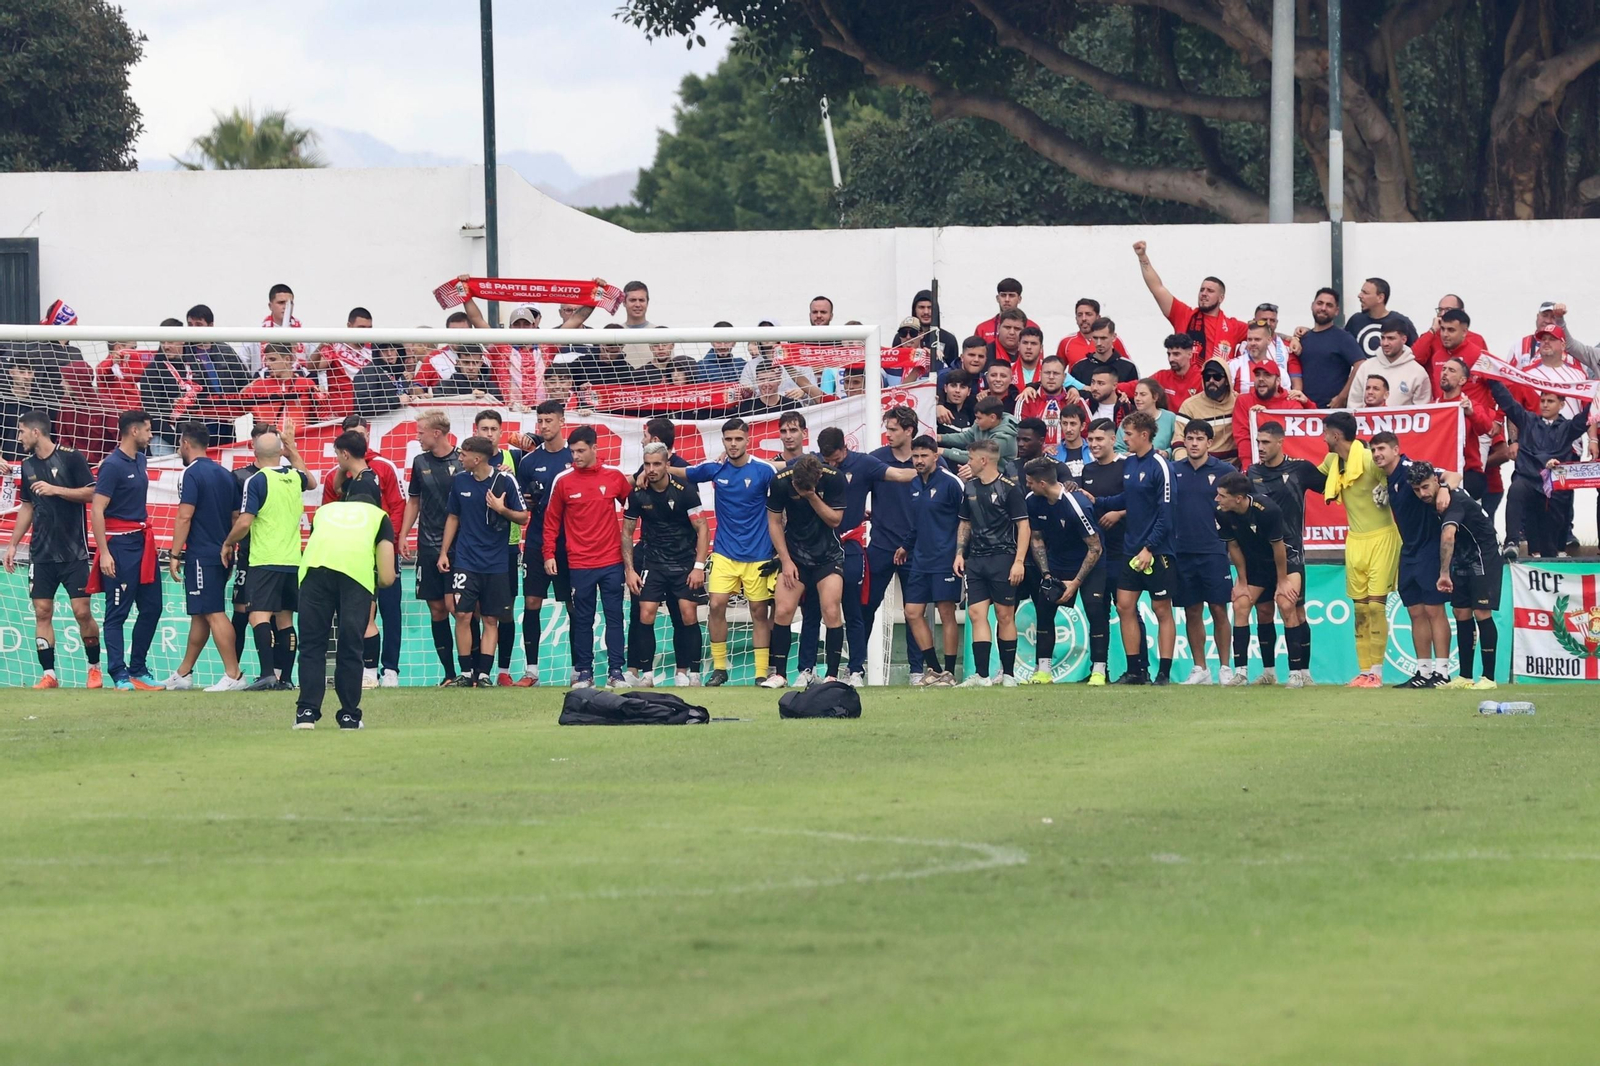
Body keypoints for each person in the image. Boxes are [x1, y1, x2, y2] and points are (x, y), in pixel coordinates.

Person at [812, 426, 918, 685]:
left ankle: (857, 668)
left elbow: (900, 475)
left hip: (851, 546)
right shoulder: (814, 463)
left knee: (857, 607)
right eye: (827, 460)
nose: (831, 464)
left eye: (835, 458)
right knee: (818, 608)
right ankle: (811, 669)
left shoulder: (864, 463)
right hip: (820, 548)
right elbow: (782, 465)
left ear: (844, 447)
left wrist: (933, 469)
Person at [4, 410, 102, 689]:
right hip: (41, 553)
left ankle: (93, 668)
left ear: (36, 432)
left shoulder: (71, 457)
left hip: (74, 552)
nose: (19, 436)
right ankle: (49, 674)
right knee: (42, 611)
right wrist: (12, 545)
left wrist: (57, 489)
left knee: (81, 611)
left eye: (22, 431)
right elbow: (27, 506)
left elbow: (92, 493)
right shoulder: (27, 464)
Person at [685, 419, 778, 685]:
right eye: (729, 439)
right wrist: (650, 469)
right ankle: (719, 669)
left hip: (758, 554)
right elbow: (684, 473)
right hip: (724, 552)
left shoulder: (764, 470)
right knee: (716, 605)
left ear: (747, 440)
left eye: (738, 439)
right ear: (723, 441)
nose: (733, 444)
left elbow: (782, 497)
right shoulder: (716, 469)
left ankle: (761, 673)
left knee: (759, 611)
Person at [224, 423, 316, 691]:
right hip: (292, 560)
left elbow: (244, 522)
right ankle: (285, 678)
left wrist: (228, 542)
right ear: (281, 451)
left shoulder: (257, 480)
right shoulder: (294, 477)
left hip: (265, 559)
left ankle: (267, 674)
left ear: (254, 450)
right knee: (285, 619)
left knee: (258, 617)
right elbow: (311, 481)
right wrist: (293, 451)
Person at [292, 495, 398, 729]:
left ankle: (306, 714)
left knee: (311, 645)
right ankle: (349, 716)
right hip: (355, 577)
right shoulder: (379, 517)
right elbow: (388, 577)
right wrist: (375, 584)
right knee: (350, 645)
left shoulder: (324, 511)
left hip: (313, 573)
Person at [544, 425, 632, 687]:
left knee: (614, 616)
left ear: (595, 448)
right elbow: (551, 521)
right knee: (582, 619)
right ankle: (584, 672)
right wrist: (549, 554)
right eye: (573, 451)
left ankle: (616, 672)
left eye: (581, 450)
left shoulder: (615, 476)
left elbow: (635, 508)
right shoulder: (563, 480)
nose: (576, 456)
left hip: (611, 561)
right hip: (579, 563)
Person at [162, 422, 248, 691]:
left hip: (202, 554)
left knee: (213, 612)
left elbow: (184, 515)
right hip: (223, 552)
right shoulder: (225, 474)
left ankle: (234, 675)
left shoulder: (191, 474)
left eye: (179, 443)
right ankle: (184, 673)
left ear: (186, 443)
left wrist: (175, 553)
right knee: (200, 614)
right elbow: (236, 516)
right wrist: (230, 545)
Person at [1094, 411, 1177, 685]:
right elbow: (1127, 497)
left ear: (1144, 435)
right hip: (1131, 549)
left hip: (1158, 551)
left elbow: (1167, 513)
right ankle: (1135, 671)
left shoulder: (1160, 466)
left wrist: (1150, 548)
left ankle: (1163, 672)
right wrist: (1098, 501)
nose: (1123, 439)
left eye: (1127, 434)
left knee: (1161, 609)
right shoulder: (1129, 465)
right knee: (1124, 606)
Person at [1315, 412, 1398, 685]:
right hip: (1355, 540)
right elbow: (1309, 478)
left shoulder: (1367, 457)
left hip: (1382, 537)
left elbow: (1395, 473)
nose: (1323, 437)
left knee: (1376, 608)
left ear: (1336, 435)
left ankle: (1377, 671)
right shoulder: (1332, 461)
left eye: (1325, 432)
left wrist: (1388, 488)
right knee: (1360, 610)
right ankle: (1364, 672)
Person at [324, 414, 406, 688]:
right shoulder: (342, 474)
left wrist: (386, 543)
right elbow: (330, 507)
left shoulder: (383, 468)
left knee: (389, 609)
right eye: (353, 435)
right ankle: (365, 669)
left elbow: (396, 508)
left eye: (361, 433)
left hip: (379, 550)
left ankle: (388, 669)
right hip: (353, 554)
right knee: (359, 611)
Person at [439, 436, 529, 686]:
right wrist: (444, 552)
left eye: (463, 454)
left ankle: (485, 674)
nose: (459, 458)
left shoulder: (505, 480)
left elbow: (523, 517)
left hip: (497, 563)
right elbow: (453, 517)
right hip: (466, 560)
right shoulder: (459, 481)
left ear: (476, 458)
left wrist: (501, 510)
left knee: (491, 619)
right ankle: (466, 673)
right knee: (463, 615)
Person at [1408, 463, 1502, 691]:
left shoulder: (1452, 501)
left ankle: (1489, 678)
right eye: (1417, 489)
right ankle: (1465, 676)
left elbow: (1448, 536)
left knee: (1481, 611)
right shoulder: (1439, 489)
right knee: (1460, 612)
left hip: (1483, 554)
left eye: (1425, 487)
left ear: (1435, 480)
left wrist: (1442, 573)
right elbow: (1454, 474)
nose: (1423, 494)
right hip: (1462, 556)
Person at [1369, 432, 1452, 688]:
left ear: (1396, 449)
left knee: (1433, 610)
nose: (1376, 454)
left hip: (1430, 547)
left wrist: (1445, 488)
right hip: (1409, 551)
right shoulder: (1389, 478)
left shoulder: (1410, 469)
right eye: (1373, 450)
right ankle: (1423, 672)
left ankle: (1443, 673)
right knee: (1415, 611)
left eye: (1381, 448)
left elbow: (1451, 474)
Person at [1246, 420, 1325, 685]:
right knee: (1264, 612)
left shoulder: (1300, 469)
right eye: (1258, 442)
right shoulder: (1252, 472)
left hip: (1291, 553)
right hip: (1261, 556)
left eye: (1266, 442)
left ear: (1281, 442)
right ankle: (1269, 673)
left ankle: (1302, 673)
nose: (1261, 447)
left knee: (1290, 607)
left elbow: (1330, 486)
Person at [622, 443, 709, 684]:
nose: (651, 469)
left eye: (657, 464)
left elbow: (702, 528)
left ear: (666, 464)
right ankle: (647, 674)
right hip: (653, 563)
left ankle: (690, 674)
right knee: (646, 614)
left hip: (683, 563)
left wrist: (698, 566)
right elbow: (627, 533)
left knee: (687, 615)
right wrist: (630, 570)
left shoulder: (685, 491)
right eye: (647, 464)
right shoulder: (639, 493)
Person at [89, 410, 162, 690]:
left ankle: (138, 668)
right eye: (148, 429)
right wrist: (104, 552)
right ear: (134, 431)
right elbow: (97, 509)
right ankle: (118, 673)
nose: (151, 434)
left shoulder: (141, 459)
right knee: (117, 612)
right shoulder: (112, 465)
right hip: (119, 546)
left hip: (143, 544)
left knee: (152, 607)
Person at [763, 455, 848, 687]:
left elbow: (835, 520)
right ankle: (780, 674)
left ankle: (831, 675)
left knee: (831, 609)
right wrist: (786, 560)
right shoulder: (781, 481)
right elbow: (774, 522)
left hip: (828, 555)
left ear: (818, 477)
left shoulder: (834, 479)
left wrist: (810, 496)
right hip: (795, 554)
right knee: (783, 610)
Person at [1484, 377, 1591, 559]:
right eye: (1542, 401)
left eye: (1550, 401)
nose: (1545, 405)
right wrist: (1492, 378)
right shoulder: (1528, 420)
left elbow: (1587, 416)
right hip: (1527, 481)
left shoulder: (1568, 427)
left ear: (1562, 404)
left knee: (1548, 547)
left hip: (1552, 491)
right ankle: (1512, 542)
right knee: (1516, 488)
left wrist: (1596, 394)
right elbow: (1508, 402)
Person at [398, 409, 467, 684]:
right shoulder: (419, 462)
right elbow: (414, 501)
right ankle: (449, 674)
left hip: (459, 547)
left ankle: (471, 670)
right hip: (427, 546)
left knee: (458, 608)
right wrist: (404, 534)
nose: (418, 437)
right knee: (437, 609)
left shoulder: (462, 459)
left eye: (421, 432)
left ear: (436, 433)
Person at [864, 407, 933, 682]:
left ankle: (918, 671)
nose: (888, 434)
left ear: (909, 430)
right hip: (881, 546)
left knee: (914, 612)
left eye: (893, 429)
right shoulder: (875, 460)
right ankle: (856, 667)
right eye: (887, 429)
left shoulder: (928, 462)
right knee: (864, 607)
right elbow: (855, 489)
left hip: (917, 550)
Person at [1022, 457, 1104, 684]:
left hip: (1089, 562)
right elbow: (1036, 539)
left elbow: (1095, 548)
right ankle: (1043, 670)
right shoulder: (1032, 501)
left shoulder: (1077, 505)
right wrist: (1047, 574)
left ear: (1042, 483)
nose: (1027, 486)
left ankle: (1099, 670)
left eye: (1029, 482)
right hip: (1056, 562)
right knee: (1044, 612)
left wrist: (1076, 583)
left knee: (1095, 611)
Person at [954, 439, 1030, 686]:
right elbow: (965, 523)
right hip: (976, 559)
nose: (968, 463)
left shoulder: (1009, 489)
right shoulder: (970, 488)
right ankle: (982, 675)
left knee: (1004, 614)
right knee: (976, 613)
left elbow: (1024, 526)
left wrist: (1019, 561)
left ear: (983, 460)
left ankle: (1008, 674)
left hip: (1003, 558)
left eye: (971, 459)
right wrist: (959, 553)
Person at [1213, 473, 1299, 687]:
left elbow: (1278, 547)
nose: (1217, 499)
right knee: (1241, 604)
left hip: (1285, 562)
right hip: (1256, 565)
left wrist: (1281, 581)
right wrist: (1241, 581)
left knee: (1286, 604)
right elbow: (1233, 547)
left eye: (1222, 496)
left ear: (1239, 498)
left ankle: (1296, 673)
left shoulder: (1268, 510)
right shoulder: (1221, 513)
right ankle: (1244, 673)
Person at [1168, 421, 1234, 684]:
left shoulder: (1225, 472)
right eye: (1190, 438)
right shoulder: (1172, 471)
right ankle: (1200, 668)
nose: (1194, 443)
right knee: (1191, 611)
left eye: (1199, 439)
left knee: (1219, 609)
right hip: (1182, 551)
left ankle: (1226, 667)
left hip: (1214, 551)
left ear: (1210, 442)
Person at [514, 400, 573, 685]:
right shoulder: (529, 462)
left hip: (570, 544)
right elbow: (523, 507)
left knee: (575, 605)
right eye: (541, 421)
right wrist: (529, 500)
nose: (544, 426)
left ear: (562, 421)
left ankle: (579, 668)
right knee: (532, 602)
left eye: (550, 420)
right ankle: (532, 670)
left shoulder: (574, 457)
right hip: (537, 542)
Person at [899, 435, 965, 686]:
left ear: (935, 456)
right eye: (915, 456)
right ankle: (934, 669)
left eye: (924, 456)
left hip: (946, 559)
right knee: (912, 612)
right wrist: (906, 546)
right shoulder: (915, 485)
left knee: (946, 612)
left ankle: (949, 672)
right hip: (920, 559)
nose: (918, 460)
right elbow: (918, 523)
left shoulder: (951, 483)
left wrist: (960, 552)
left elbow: (966, 520)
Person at [1133, 240, 1247, 363]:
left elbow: (1264, 335)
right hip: (1186, 380)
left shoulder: (1234, 326)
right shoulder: (1184, 315)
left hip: (1216, 381)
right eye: (1202, 290)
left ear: (1221, 298)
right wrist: (1142, 257)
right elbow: (1157, 288)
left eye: (1210, 291)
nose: (1204, 293)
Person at [1232, 343, 1313, 467]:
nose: (1261, 379)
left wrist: (1308, 404)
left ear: (1278, 381)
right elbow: (1242, 437)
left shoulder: (1290, 401)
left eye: (1267, 375)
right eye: (1257, 375)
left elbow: (1313, 430)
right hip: (1256, 464)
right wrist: (1249, 467)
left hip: (1286, 465)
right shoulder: (1243, 401)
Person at [1294, 288, 1366, 407]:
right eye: (1320, 303)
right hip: (1303, 409)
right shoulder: (1303, 337)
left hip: (1331, 410)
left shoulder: (1343, 338)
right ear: (1312, 306)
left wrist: (1342, 397)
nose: (1323, 308)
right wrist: (1293, 337)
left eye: (1329, 305)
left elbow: (1361, 364)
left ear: (1336, 311)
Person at [1350, 324, 1431, 407]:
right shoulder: (1366, 367)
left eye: (1391, 338)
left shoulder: (1418, 372)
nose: (1385, 343)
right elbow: (1354, 404)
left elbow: (1423, 413)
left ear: (1403, 339)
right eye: (1383, 338)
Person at [1177, 358, 1237, 463]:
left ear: (1227, 380)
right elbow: (1178, 441)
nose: (1211, 381)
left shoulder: (1238, 402)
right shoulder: (1190, 405)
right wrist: (1185, 467)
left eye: (1217, 377)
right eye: (1207, 377)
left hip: (1234, 468)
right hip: (1201, 466)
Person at [1345, 277, 1418, 361]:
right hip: (1363, 373)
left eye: (1365, 293)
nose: (1360, 295)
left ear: (1380, 298)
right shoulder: (1355, 320)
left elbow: (1415, 353)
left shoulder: (1401, 322)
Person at [939, 396, 1018, 466]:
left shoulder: (1004, 438)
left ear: (992, 417)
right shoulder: (981, 425)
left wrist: (944, 451)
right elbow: (965, 437)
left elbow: (979, 456)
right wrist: (940, 438)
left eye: (979, 418)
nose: (976, 421)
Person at [1055, 298, 1128, 366]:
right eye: (1080, 315)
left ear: (1098, 317)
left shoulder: (1112, 340)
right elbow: (1057, 371)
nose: (1083, 318)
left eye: (1088, 314)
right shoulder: (1066, 342)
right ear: (1076, 318)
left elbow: (1127, 368)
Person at [1069, 317, 1139, 386]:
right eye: (1095, 338)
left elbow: (1136, 395)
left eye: (1103, 338)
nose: (1099, 343)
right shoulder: (1079, 367)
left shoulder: (1128, 367)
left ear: (1114, 337)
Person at [1115, 379, 1177, 454]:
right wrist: (1127, 455)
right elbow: (1117, 449)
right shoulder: (1127, 420)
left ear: (1155, 397)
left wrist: (1167, 453)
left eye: (1143, 394)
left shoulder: (1170, 418)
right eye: (1135, 394)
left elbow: (1177, 444)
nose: (1137, 398)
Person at [972, 278, 1039, 345]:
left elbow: (1037, 354)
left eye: (1011, 295)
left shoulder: (1032, 327)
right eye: (1003, 295)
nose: (1007, 299)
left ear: (1019, 299)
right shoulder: (983, 328)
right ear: (997, 298)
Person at [909, 289, 959, 366]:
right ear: (914, 310)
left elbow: (954, 371)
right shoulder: (904, 337)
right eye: (921, 307)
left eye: (930, 307)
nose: (926, 312)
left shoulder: (948, 339)